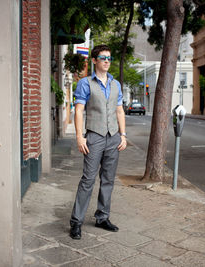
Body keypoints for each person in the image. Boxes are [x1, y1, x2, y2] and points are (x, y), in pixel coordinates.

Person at [70, 44, 127, 240]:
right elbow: (79, 111)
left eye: (109, 58)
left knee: (108, 180)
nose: (106, 61)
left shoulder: (115, 84)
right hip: (94, 137)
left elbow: (119, 110)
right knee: (88, 179)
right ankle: (76, 222)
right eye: (103, 58)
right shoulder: (85, 83)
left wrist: (123, 135)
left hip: (113, 138)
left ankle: (102, 217)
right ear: (94, 61)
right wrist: (79, 137)